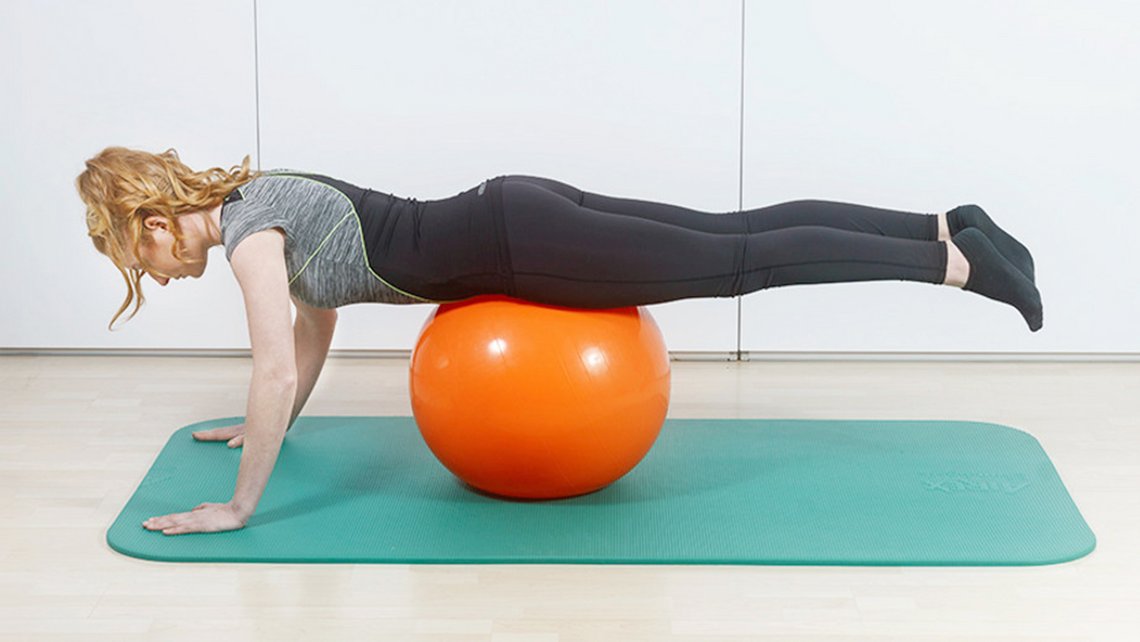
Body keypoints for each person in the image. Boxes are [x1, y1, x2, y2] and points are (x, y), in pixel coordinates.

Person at [77, 146, 1041, 535]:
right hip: (521, 206)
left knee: (742, 260)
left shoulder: (248, 242)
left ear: (154, 222)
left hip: (522, 246)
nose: (150, 275)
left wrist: (240, 508)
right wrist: (265, 428)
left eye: (135, 256)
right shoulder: (262, 198)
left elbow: (274, 358)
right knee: (737, 228)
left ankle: (956, 267)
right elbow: (312, 330)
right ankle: (941, 226)